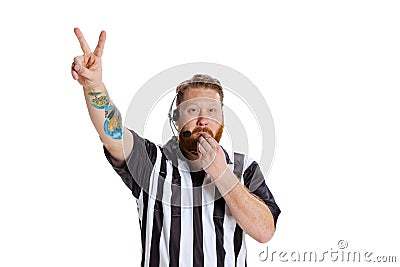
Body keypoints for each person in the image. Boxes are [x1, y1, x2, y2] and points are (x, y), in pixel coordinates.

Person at [71, 27, 281, 267]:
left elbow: (265, 231)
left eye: (212, 111)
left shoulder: (245, 169)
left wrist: (223, 175)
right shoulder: (151, 162)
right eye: (193, 110)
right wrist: (93, 85)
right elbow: (112, 134)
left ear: (222, 119)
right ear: (176, 119)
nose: (203, 119)